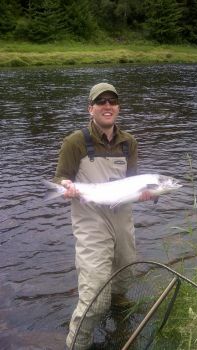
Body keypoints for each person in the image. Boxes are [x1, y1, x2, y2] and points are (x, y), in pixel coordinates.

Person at [54, 83, 153, 350]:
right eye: (101, 102)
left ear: (118, 108)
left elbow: (131, 183)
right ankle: (77, 342)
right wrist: (66, 186)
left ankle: (119, 307)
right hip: (91, 220)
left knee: (125, 271)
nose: (107, 106)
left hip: (122, 217)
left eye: (112, 101)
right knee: (95, 297)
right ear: (91, 108)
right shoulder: (75, 141)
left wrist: (146, 194)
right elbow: (62, 176)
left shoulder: (128, 142)